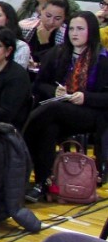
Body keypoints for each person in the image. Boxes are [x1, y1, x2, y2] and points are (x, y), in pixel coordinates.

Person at [23, 12, 108, 201]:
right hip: (59, 111)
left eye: (80, 29)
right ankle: (42, 184)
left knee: (50, 111)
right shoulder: (58, 52)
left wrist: (86, 97)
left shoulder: (103, 58)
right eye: (71, 29)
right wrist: (54, 92)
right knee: (49, 129)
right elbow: (39, 84)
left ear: (91, 31)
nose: (74, 33)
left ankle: (21, 139)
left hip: (90, 114)